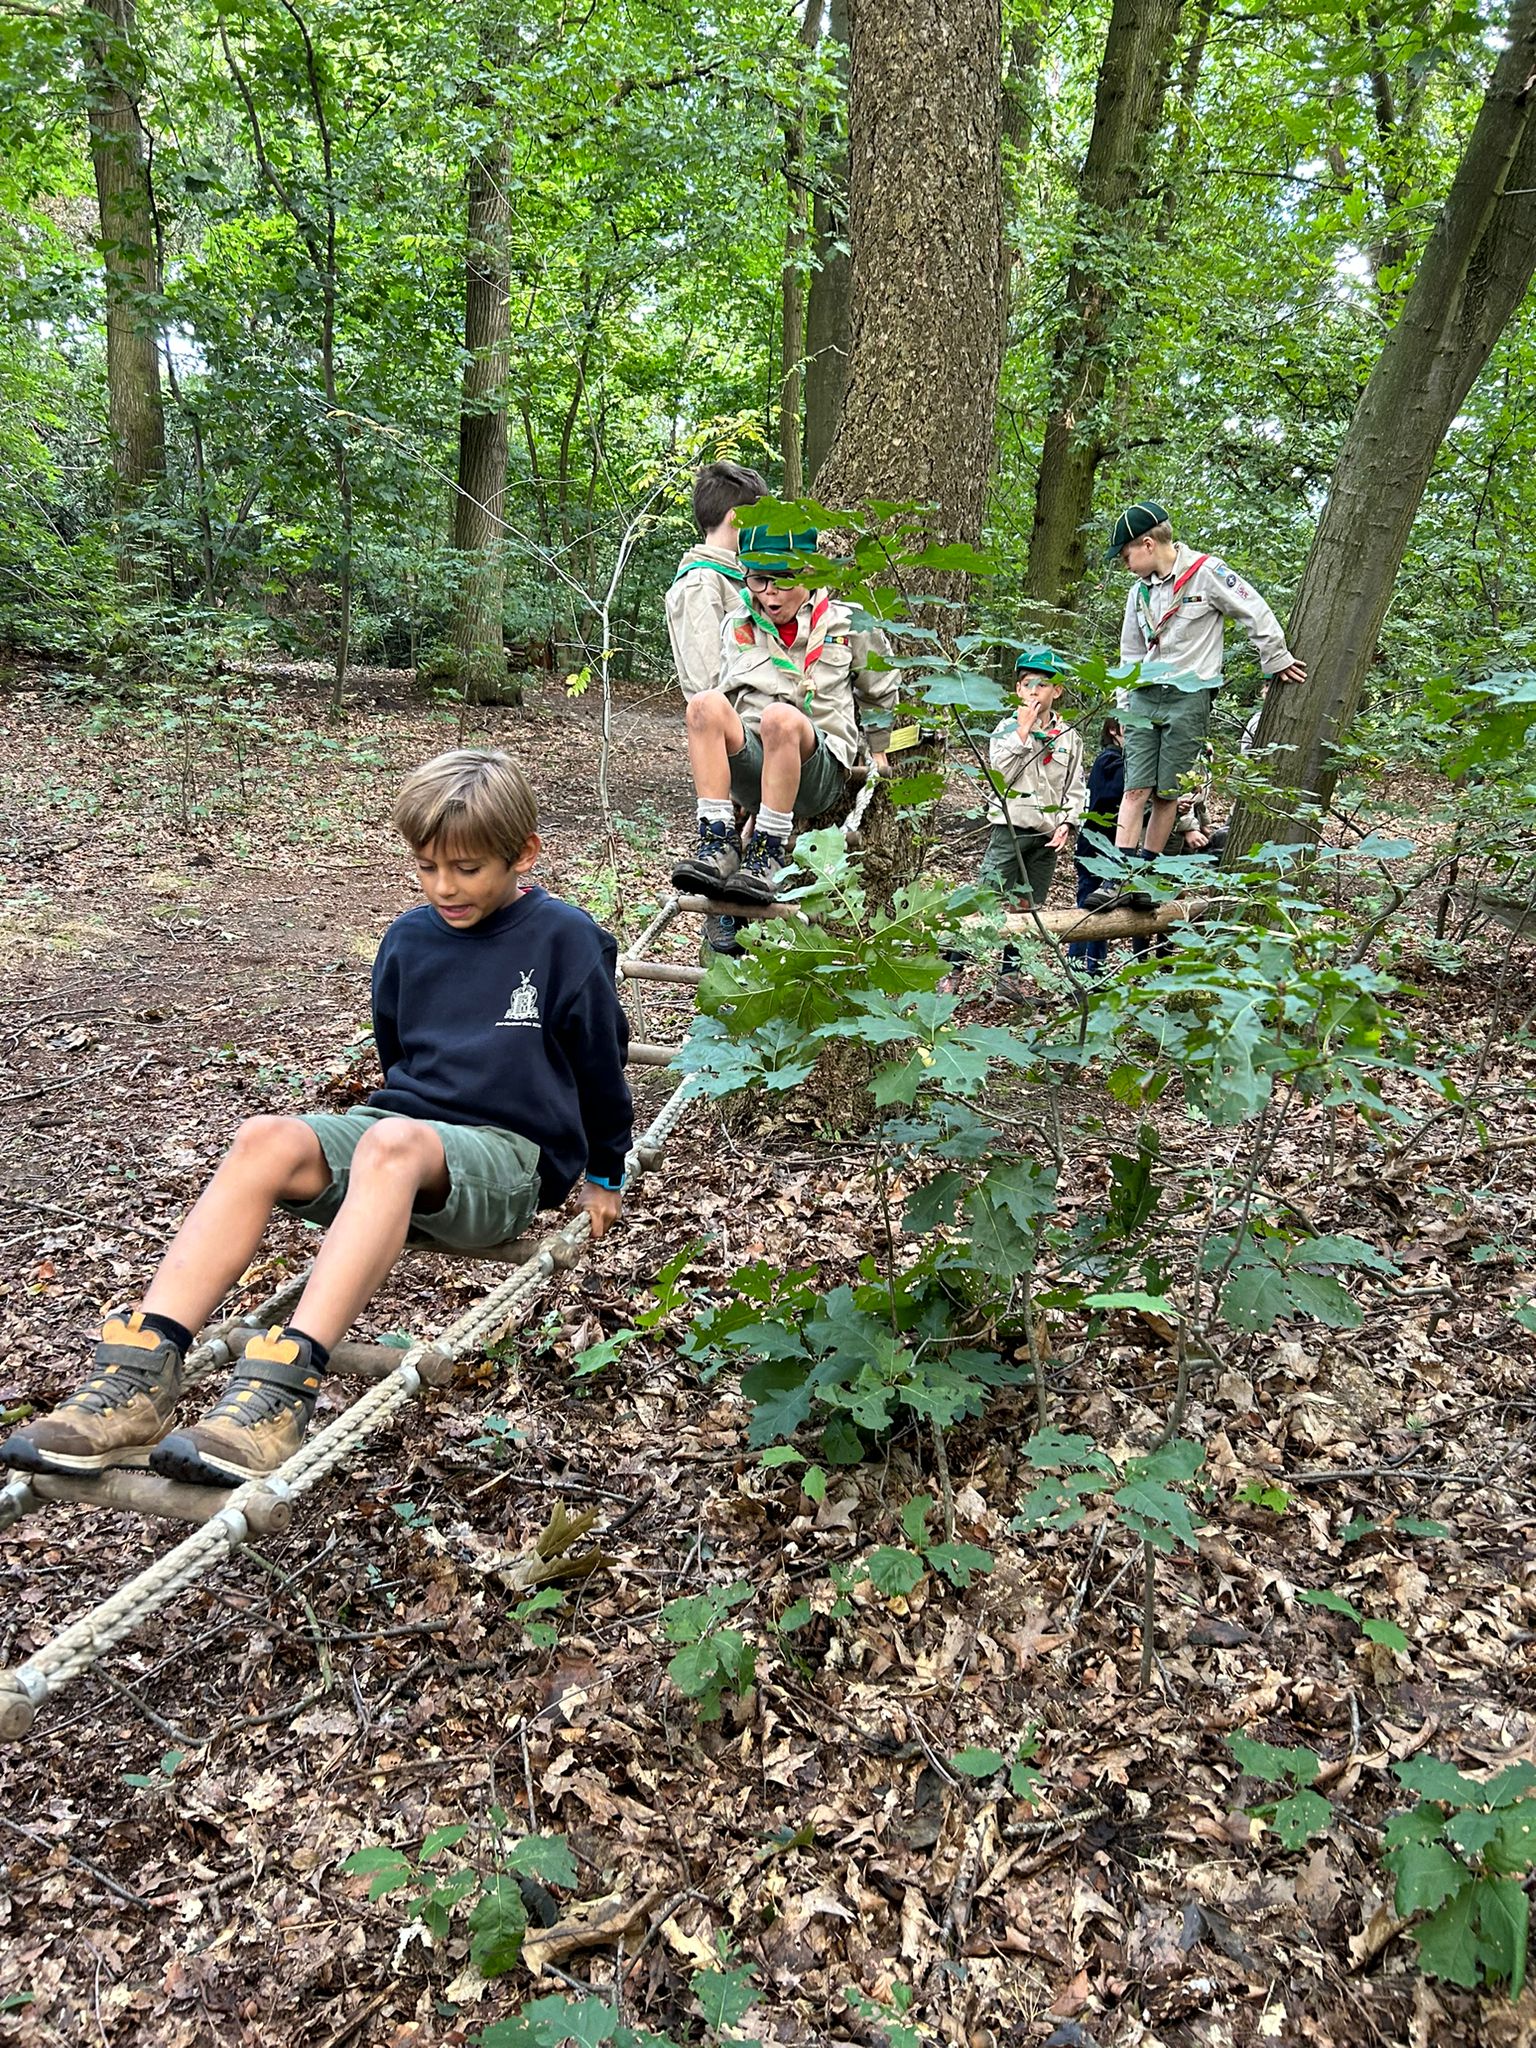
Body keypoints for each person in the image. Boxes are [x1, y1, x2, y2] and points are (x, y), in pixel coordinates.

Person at [2, 750, 632, 1489]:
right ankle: (141, 1376)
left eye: (465, 869)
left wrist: (604, 1170)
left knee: (392, 1143)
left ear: (522, 854)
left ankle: (280, 1394)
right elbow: (398, 1054)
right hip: (401, 1143)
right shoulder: (409, 939)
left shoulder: (564, 938)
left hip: (506, 1157)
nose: (442, 887)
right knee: (265, 1137)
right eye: (426, 867)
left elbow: (600, 1059)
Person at [1085, 501, 1305, 911]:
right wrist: (1124, 701)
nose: (1125, 564)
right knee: (1136, 789)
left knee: (1167, 793)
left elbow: (1252, 610)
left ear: (1148, 544)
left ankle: (1144, 880)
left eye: (1126, 554)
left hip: (1190, 697)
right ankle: (1117, 876)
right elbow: (1130, 652)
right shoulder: (1139, 592)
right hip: (1145, 696)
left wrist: (1276, 658)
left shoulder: (1207, 572)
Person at [670, 523, 898, 906]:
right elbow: (727, 697)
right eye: (758, 580)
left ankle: (768, 851)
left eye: (782, 579)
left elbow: (878, 687)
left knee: (780, 717)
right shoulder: (737, 624)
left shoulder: (848, 623)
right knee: (704, 704)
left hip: (816, 770)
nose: (769, 593)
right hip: (755, 765)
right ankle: (717, 840)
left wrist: (879, 748)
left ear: (810, 572)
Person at [977, 647, 1086, 1004]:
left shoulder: (1069, 738)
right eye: (1028, 683)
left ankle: (1010, 980)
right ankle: (954, 970)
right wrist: (1023, 732)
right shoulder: (1005, 731)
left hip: (1046, 838)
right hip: (1009, 831)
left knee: (1028, 909)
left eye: (1044, 684)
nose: (1035, 691)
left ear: (1057, 691)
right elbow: (1000, 775)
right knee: (983, 900)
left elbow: (1075, 788)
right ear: (1018, 690)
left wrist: (1067, 824)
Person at [665, 459, 768, 702]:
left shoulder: (735, 575)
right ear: (737, 518)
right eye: (760, 517)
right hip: (732, 728)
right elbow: (710, 682)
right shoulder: (700, 583)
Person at [1067, 716, 1124, 977]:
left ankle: (1095, 971)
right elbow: (1113, 798)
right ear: (1113, 730)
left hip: (1105, 849)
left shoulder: (1113, 760)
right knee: (1087, 909)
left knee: (1103, 910)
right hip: (1095, 850)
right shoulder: (1110, 760)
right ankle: (1077, 971)